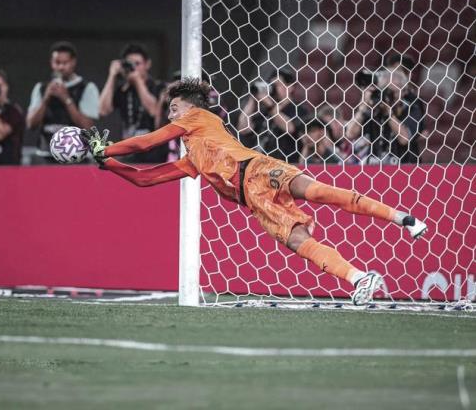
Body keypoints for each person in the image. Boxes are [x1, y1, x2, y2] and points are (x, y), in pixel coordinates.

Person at [81, 78, 428, 306]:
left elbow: (145, 142)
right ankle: (360, 278)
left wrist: (107, 148)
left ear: (191, 108)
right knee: (299, 242)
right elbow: (146, 179)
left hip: (258, 169)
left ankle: (403, 218)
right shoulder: (194, 156)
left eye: (174, 108)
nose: (171, 115)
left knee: (320, 192)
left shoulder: (201, 118)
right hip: (254, 199)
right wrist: (108, 163)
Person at [26, 41, 100, 164]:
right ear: (51, 62)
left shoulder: (87, 88)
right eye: (57, 62)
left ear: (73, 62)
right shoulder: (41, 88)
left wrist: (66, 99)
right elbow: (31, 124)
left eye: (65, 63)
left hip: (76, 157)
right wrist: (45, 99)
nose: (60, 67)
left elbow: (87, 127)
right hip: (46, 155)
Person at [346, 54, 425, 165]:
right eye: (387, 90)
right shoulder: (374, 108)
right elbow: (350, 134)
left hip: (405, 167)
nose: (389, 95)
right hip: (376, 167)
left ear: (404, 91)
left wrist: (389, 113)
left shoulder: (412, 107)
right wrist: (363, 108)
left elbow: (404, 139)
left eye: (394, 92)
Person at [99, 43, 167, 163]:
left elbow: (153, 111)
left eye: (137, 63)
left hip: (154, 152)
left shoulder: (159, 87)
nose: (134, 68)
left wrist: (137, 81)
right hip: (130, 151)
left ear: (147, 64)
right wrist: (112, 75)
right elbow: (103, 110)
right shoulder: (123, 90)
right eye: (130, 64)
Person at [237, 69, 309, 163]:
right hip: (257, 163)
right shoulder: (264, 111)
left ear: (290, 87)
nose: (273, 88)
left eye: (277, 85)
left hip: (283, 165)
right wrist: (253, 100)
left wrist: (270, 105)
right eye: (272, 85)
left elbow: (290, 128)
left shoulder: (299, 110)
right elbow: (243, 129)